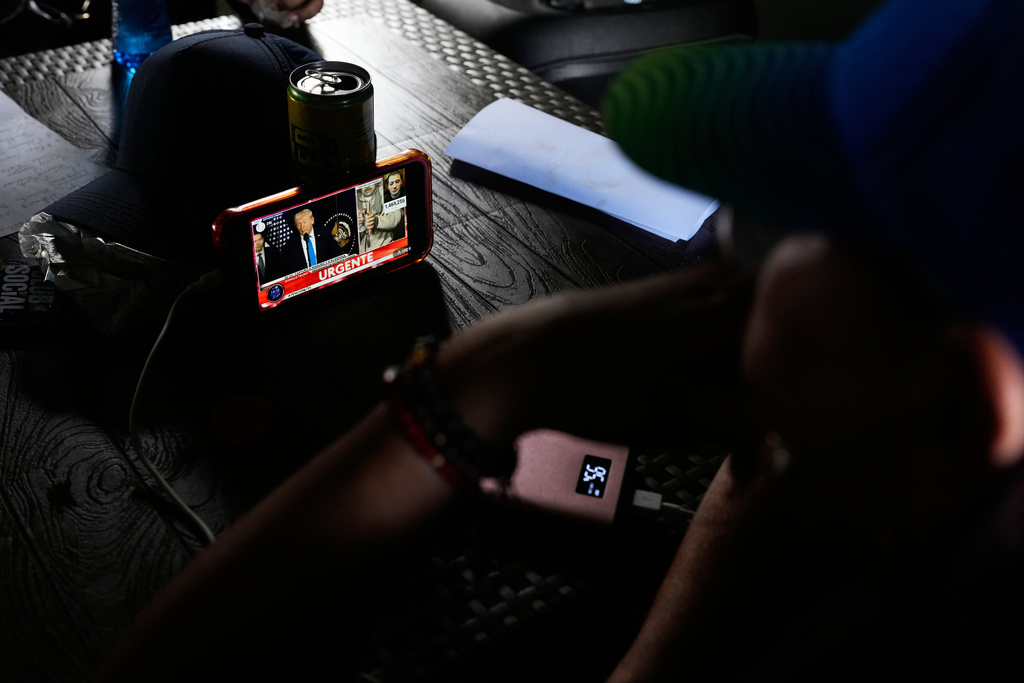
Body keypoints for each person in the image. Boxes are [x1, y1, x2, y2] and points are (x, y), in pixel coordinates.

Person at [89, 0, 1024, 680]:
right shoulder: (906, 472)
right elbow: (766, 477)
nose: (729, 244)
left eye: (783, 217)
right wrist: (776, 438)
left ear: (957, 396)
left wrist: (483, 381)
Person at [281, 207, 343, 273]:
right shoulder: (290, 246)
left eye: (304, 222)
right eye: (299, 224)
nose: (302, 226)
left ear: (312, 220)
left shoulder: (325, 234)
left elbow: (338, 255)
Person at [356, 180, 405, 251]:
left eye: (370, 181)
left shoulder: (387, 195)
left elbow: (395, 218)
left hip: (386, 249)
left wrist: (376, 221)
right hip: (364, 257)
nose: (367, 186)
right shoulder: (354, 203)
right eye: (363, 184)